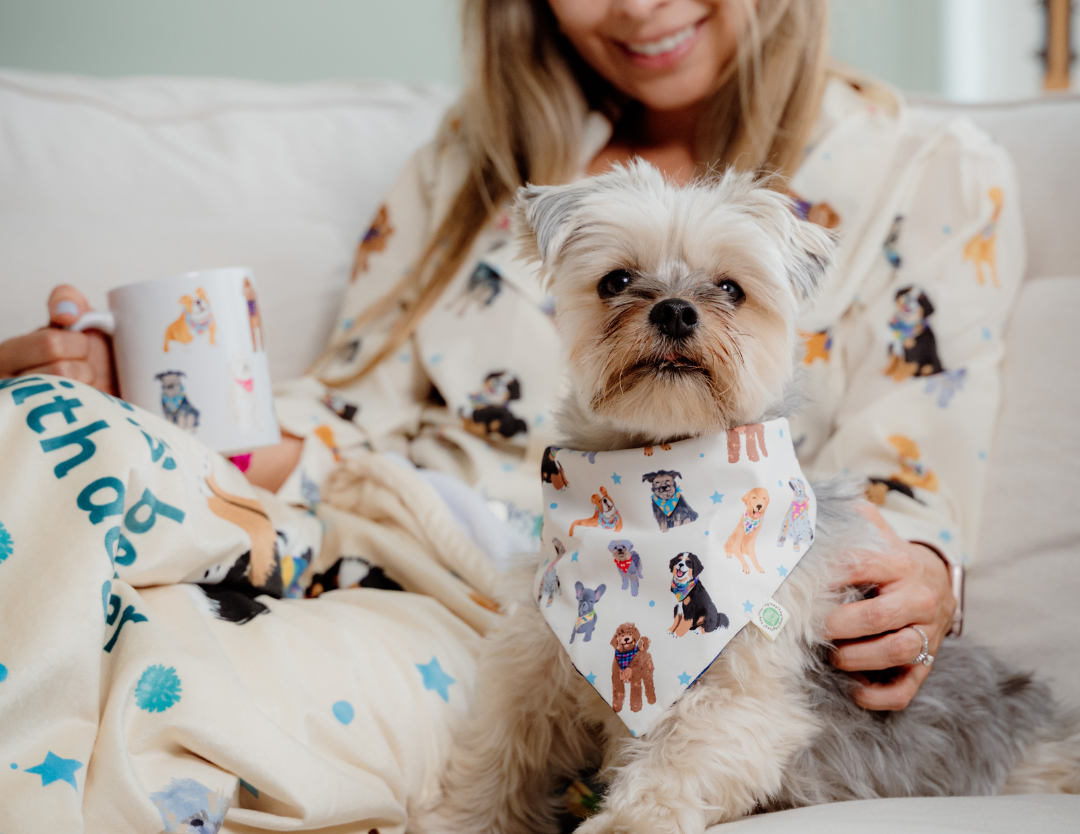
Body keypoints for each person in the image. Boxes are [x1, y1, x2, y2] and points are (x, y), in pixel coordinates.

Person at [0, 0, 1021, 712]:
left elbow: (909, 484)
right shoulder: (473, 162)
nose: (635, 7)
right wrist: (135, 395)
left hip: (548, 622)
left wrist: (922, 576)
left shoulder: (926, 173)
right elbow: (344, 415)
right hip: (374, 546)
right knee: (39, 438)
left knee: (158, 685)